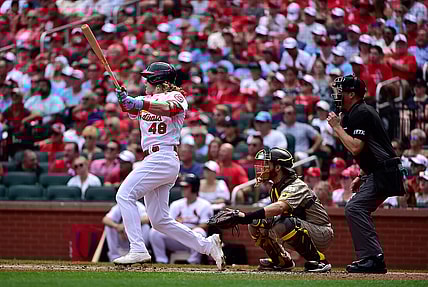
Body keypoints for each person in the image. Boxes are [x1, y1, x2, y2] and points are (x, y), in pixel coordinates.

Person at [113, 62, 225, 269]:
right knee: (159, 220)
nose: (145, 82)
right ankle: (208, 246)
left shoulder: (175, 96)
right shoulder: (145, 99)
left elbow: (169, 109)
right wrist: (124, 100)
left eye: (148, 79)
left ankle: (137, 249)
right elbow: (129, 108)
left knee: (124, 195)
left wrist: (138, 103)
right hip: (152, 159)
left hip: (163, 156)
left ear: (158, 80)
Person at [327, 74, 405, 273]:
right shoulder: (356, 112)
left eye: (341, 92)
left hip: (385, 172)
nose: (337, 95)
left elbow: (356, 147)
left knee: (355, 208)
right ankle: (371, 257)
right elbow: (373, 147)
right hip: (379, 171)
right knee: (357, 208)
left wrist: (336, 127)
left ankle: (373, 258)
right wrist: (362, 175)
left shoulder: (361, 112)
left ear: (351, 94)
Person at [232, 148, 333, 272]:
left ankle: (319, 261)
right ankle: (281, 260)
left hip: (321, 232)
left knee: (285, 223)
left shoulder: (296, 185)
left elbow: (280, 207)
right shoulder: (275, 188)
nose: (263, 168)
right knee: (255, 223)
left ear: (278, 167)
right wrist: (251, 219)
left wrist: (247, 216)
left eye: (267, 164)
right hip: (303, 227)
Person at [150, 174, 214, 264]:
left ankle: (193, 261)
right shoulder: (176, 204)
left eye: (186, 187)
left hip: (193, 239)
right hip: (177, 238)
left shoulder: (205, 205)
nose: (183, 189)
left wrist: (186, 230)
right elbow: (168, 224)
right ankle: (161, 261)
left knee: (200, 231)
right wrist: (180, 230)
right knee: (155, 231)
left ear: (195, 188)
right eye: (182, 187)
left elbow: (205, 225)